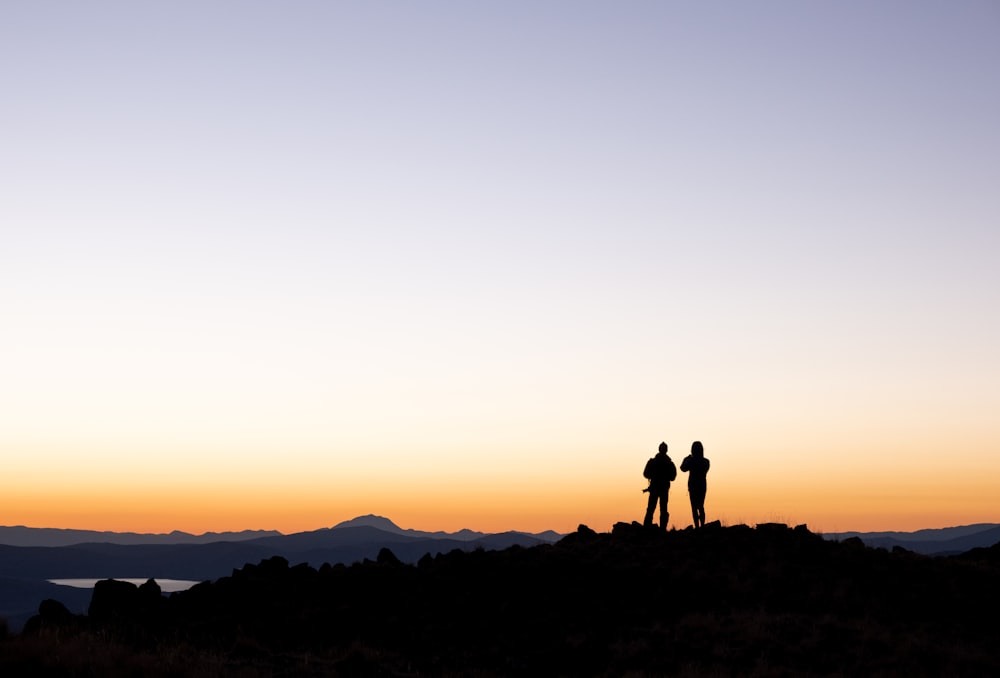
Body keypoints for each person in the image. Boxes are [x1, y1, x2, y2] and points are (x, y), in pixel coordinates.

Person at [642, 442, 676, 530]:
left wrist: (653, 475)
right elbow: (673, 477)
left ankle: (647, 528)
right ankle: (661, 529)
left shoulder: (653, 462)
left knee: (651, 508)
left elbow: (645, 474)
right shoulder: (669, 463)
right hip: (662, 488)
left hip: (655, 488)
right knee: (662, 509)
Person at [680, 440, 710, 528]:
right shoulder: (706, 461)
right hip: (702, 486)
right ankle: (702, 526)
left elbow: (682, 468)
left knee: (694, 507)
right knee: (701, 506)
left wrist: (687, 458)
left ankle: (697, 526)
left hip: (693, 486)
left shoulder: (691, 461)